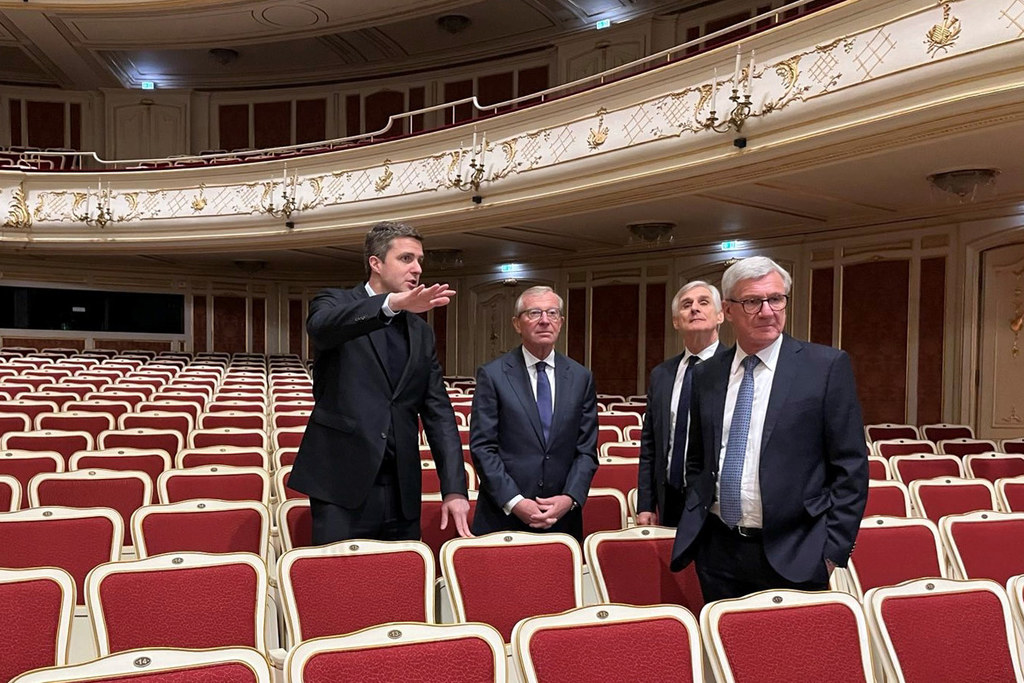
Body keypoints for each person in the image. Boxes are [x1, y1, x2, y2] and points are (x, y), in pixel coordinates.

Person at [670, 256, 867, 601]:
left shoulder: (824, 367)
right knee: (723, 654)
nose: (767, 311)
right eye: (752, 302)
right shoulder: (708, 374)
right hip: (717, 550)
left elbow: (850, 467)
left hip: (796, 552)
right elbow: (698, 459)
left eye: (775, 299)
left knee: (789, 655)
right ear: (728, 310)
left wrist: (832, 551)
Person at [289, 221, 471, 544]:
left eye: (419, 261)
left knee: (399, 587)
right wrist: (391, 305)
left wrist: (454, 488)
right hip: (341, 487)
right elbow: (321, 328)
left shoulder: (420, 331)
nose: (416, 269)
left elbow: (438, 413)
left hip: (402, 490)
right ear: (376, 263)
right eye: (406, 259)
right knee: (341, 587)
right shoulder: (334, 303)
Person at [469, 285, 599, 543]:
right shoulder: (493, 375)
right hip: (503, 516)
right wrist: (515, 501)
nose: (544, 320)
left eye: (552, 313)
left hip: (562, 519)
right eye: (534, 313)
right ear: (517, 324)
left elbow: (586, 450)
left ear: (560, 323)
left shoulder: (580, 377)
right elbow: (483, 447)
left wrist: (569, 498)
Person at [637, 280, 727, 528]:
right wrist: (646, 503)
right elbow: (650, 445)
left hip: (717, 504)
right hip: (671, 499)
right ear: (677, 321)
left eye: (703, 302)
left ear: (720, 315)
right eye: (687, 305)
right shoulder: (662, 374)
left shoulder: (735, 369)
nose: (694, 309)